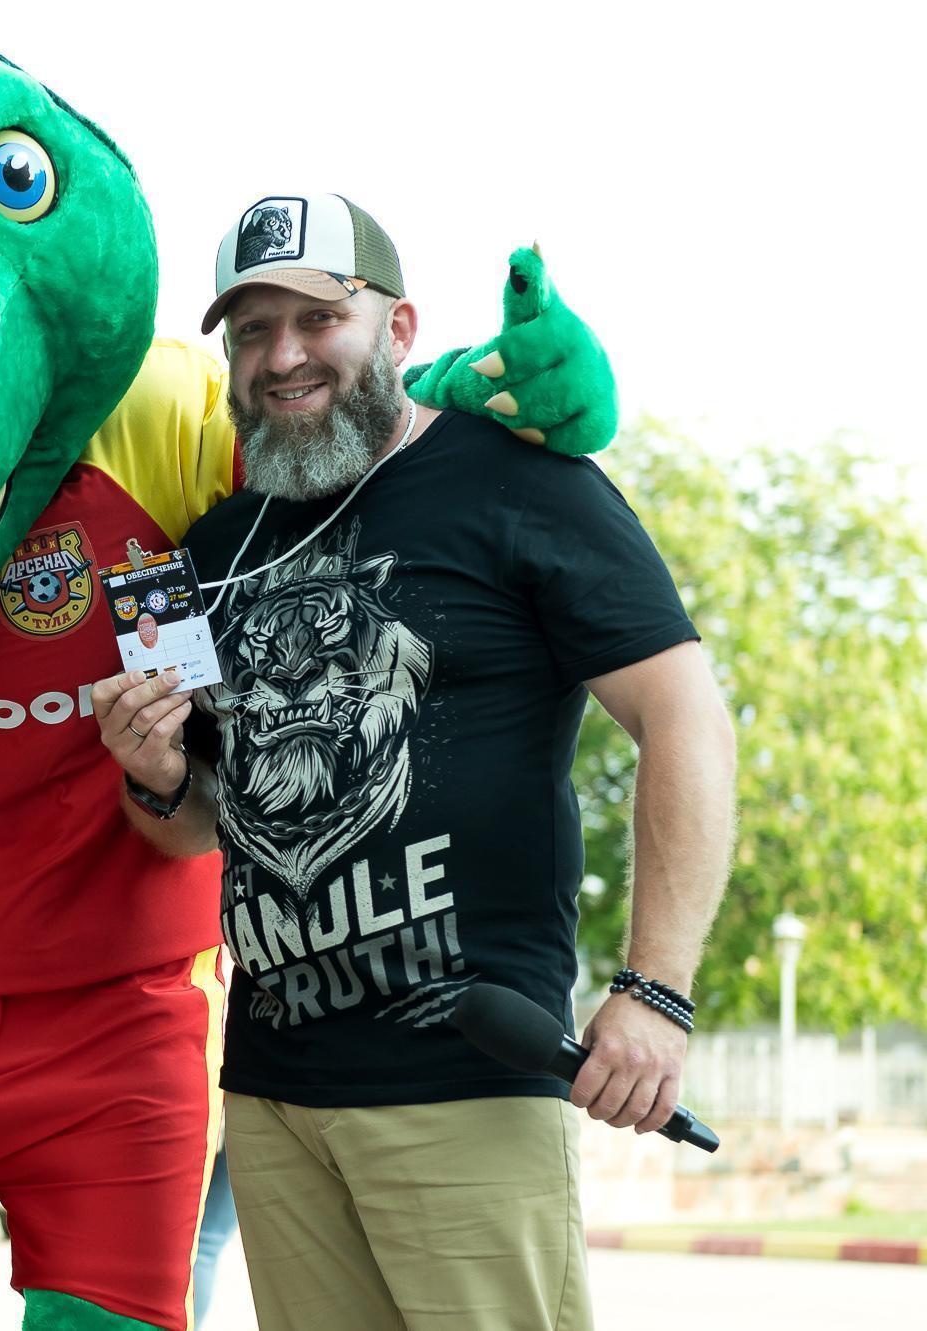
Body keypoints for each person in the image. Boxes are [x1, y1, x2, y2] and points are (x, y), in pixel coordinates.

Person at [95, 193, 737, 1330]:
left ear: (396, 328)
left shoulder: (518, 480)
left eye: (317, 319)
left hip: (467, 1074)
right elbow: (196, 824)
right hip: (273, 1089)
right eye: (252, 330)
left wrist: (654, 992)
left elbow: (684, 716)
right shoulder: (213, 548)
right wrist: (152, 772)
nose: (282, 356)